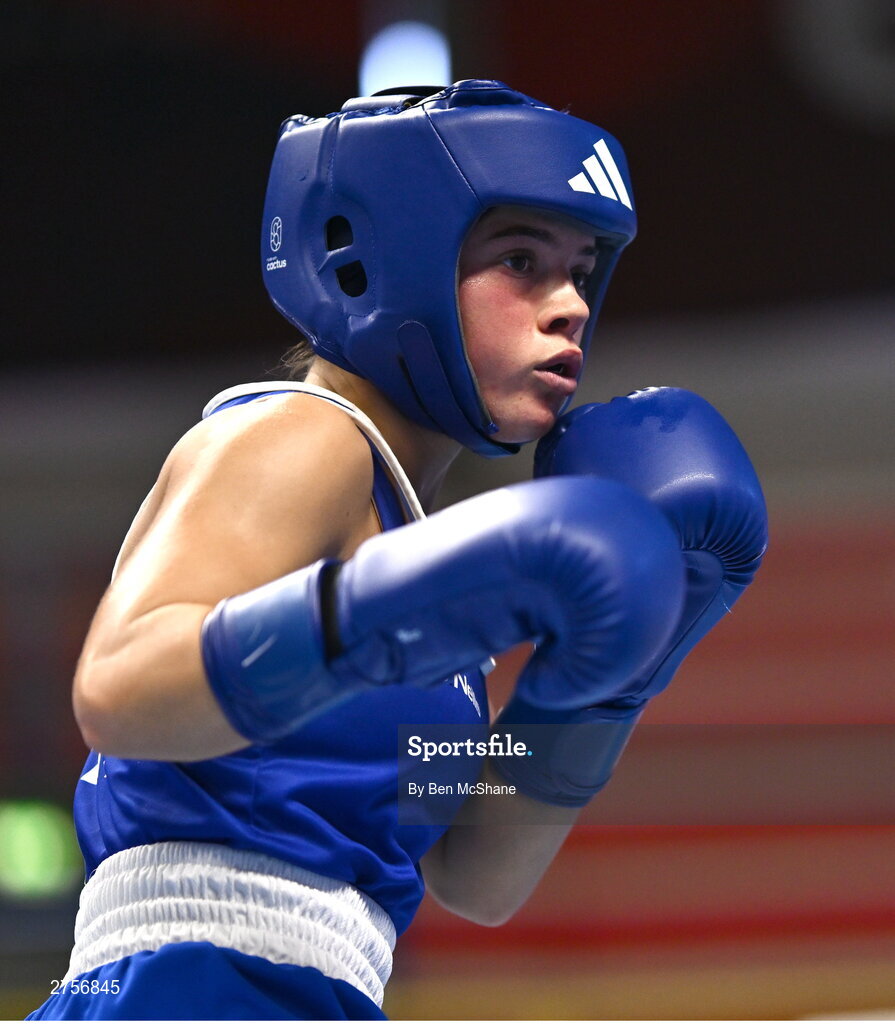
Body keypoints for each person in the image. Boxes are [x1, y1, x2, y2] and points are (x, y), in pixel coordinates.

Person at [29, 80, 767, 1021]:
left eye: (582, 268)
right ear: (376, 261)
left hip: (320, 991)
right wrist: (390, 609)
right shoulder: (302, 435)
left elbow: (471, 874)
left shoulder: (408, 548)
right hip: (190, 986)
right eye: (520, 261)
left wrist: (601, 687)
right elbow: (120, 692)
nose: (570, 305)